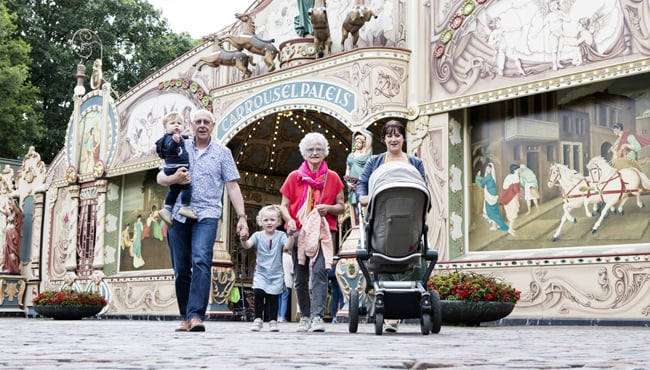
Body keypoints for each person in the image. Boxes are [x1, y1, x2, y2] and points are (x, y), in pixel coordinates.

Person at [157, 108, 249, 332]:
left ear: (213, 125)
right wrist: (173, 178)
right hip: (179, 213)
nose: (201, 125)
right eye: (198, 121)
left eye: (206, 121)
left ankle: (196, 315)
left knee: (200, 260)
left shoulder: (222, 152)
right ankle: (185, 316)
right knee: (181, 267)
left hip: (207, 214)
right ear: (191, 124)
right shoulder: (179, 145)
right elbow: (160, 177)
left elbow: (232, 185)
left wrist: (242, 217)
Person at [355, 119, 427, 333]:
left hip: (409, 219)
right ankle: (389, 313)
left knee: (413, 256)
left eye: (397, 135)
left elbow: (422, 186)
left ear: (403, 138)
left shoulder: (415, 163)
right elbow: (361, 182)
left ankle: (412, 303)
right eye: (389, 135)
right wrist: (362, 197)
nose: (393, 139)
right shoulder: (375, 161)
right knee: (382, 255)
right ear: (384, 139)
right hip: (381, 219)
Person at [280, 132, 345, 333]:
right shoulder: (294, 177)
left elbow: (342, 206)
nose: (315, 153)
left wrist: (329, 208)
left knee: (319, 274)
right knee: (300, 275)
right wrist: (289, 220)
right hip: (300, 230)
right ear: (304, 153)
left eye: (319, 149)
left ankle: (317, 317)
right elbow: (283, 205)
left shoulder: (333, 177)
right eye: (310, 149)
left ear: (325, 153)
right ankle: (305, 317)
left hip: (324, 231)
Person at [240, 205, 294, 332]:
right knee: (258, 293)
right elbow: (247, 245)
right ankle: (258, 319)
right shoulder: (257, 235)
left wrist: (291, 236)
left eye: (272, 219)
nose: (269, 222)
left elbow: (288, 247)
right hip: (261, 272)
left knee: (273, 297)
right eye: (266, 220)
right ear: (261, 222)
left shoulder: (281, 235)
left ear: (278, 221)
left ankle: (273, 321)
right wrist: (243, 239)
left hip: (276, 273)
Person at [155, 112, 197, 226]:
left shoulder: (179, 137)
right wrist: (174, 142)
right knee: (187, 186)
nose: (176, 125)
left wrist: (190, 136)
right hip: (176, 167)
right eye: (172, 123)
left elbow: (186, 137)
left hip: (173, 166)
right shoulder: (169, 139)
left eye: (179, 123)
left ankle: (167, 209)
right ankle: (185, 207)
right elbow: (170, 149)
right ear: (165, 128)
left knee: (174, 190)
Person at [344, 130, 372, 224]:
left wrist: (360, 131)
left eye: (359, 142)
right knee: (354, 201)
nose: (357, 144)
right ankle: (356, 223)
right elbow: (348, 168)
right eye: (356, 142)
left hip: (362, 181)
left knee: (363, 200)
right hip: (352, 182)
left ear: (363, 144)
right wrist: (347, 180)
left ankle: (364, 221)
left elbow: (369, 139)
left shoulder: (366, 154)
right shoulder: (350, 156)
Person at [475, 163, 509, 233]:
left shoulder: (489, 177)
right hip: (492, 195)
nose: (488, 169)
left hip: (491, 196)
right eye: (487, 168)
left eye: (489, 168)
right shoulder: (490, 177)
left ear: (491, 169)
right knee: (494, 212)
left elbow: (481, 184)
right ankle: (496, 225)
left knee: (491, 212)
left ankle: (496, 226)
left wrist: (477, 177)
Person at [1, 199, 22, 274]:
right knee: (6, 250)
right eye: (9, 205)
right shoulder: (9, 214)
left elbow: (17, 210)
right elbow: (2, 210)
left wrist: (11, 199)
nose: (10, 206)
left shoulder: (18, 214)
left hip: (13, 235)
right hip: (8, 235)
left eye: (11, 205)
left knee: (13, 252)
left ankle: (14, 268)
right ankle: (8, 267)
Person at [500, 164, 521, 237]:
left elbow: (505, 187)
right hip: (512, 197)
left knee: (511, 212)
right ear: (515, 170)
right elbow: (516, 189)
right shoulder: (516, 176)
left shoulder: (508, 176)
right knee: (513, 212)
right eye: (518, 169)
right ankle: (510, 229)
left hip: (506, 197)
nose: (519, 170)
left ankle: (511, 228)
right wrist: (521, 194)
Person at [277, 247, 294, 322]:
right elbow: (292, 271)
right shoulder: (290, 258)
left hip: (278, 280)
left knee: (278, 299)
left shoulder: (278, 257)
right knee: (284, 299)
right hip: (287, 280)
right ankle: (282, 316)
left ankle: (277, 316)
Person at [328, 256, 344, 323]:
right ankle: (341, 314)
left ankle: (334, 316)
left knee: (335, 300)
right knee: (342, 299)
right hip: (340, 284)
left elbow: (328, 276)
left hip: (333, 284)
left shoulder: (331, 267)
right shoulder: (340, 266)